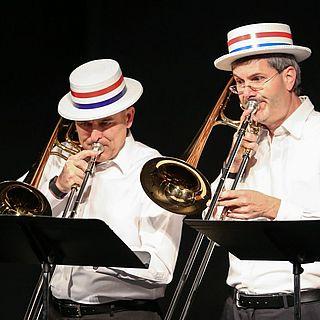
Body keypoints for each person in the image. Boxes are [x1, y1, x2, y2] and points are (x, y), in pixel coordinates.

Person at [35, 58, 184, 319]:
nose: (93, 137)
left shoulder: (154, 172)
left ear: (128, 117)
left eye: (104, 124)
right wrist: (57, 187)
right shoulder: (61, 162)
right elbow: (18, 217)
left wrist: (96, 251)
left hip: (122, 313)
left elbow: (161, 268)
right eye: (84, 125)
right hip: (56, 309)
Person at [211, 22, 320, 319]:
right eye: (239, 83)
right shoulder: (249, 139)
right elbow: (211, 219)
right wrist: (231, 167)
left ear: (288, 77)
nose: (247, 93)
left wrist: (274, 208)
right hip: (236, 306)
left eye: (257, 79)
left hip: (306, 305)